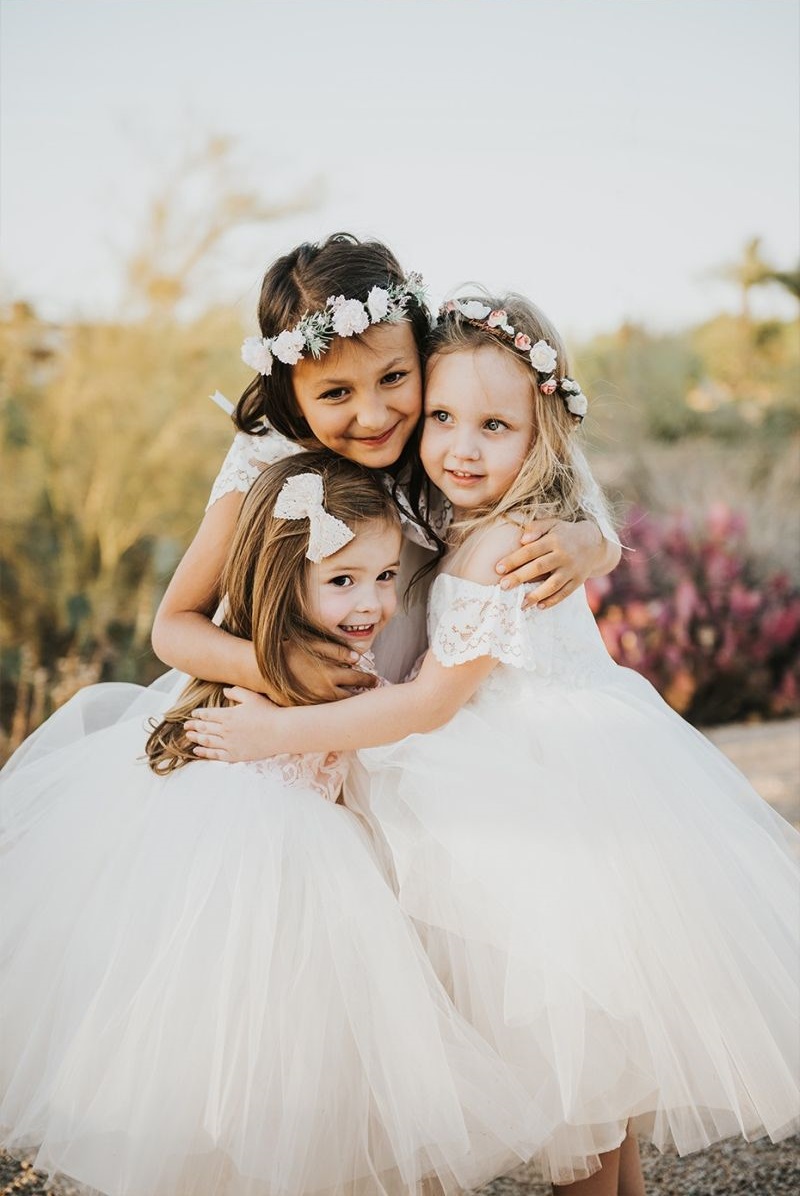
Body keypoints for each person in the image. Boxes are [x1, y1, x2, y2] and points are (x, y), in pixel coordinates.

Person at [186, 295, 800, 1195]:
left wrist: (274, 729)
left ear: (540, 430)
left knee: (575, 1077)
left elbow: (430, 702)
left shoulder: (500, 547)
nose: (459, 446)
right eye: (442, 417)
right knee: (597, 1086)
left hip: (527, 799)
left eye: (492, 425)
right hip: (561, 783)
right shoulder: (485, 509)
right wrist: (596, 537)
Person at [0, 452, 544, 1196]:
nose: (371, 604)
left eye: (386, 577)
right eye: (343, 580)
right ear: (286, 579)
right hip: (255, 867)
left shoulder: (342, 663)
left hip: (309, 856)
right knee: (238, 1068)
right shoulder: (295, 669)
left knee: (312, 1080)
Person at [152, 232, 620, 695]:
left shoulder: (451, 435)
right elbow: (173, 628)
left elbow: (575, 501)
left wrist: (590, 543)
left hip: (405, 710)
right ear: (293, 399)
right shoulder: (267, 462)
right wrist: (276, 667)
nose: (374, 416)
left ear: (421, 356)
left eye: (393, 377)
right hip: (290, 708)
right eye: (336, 393)